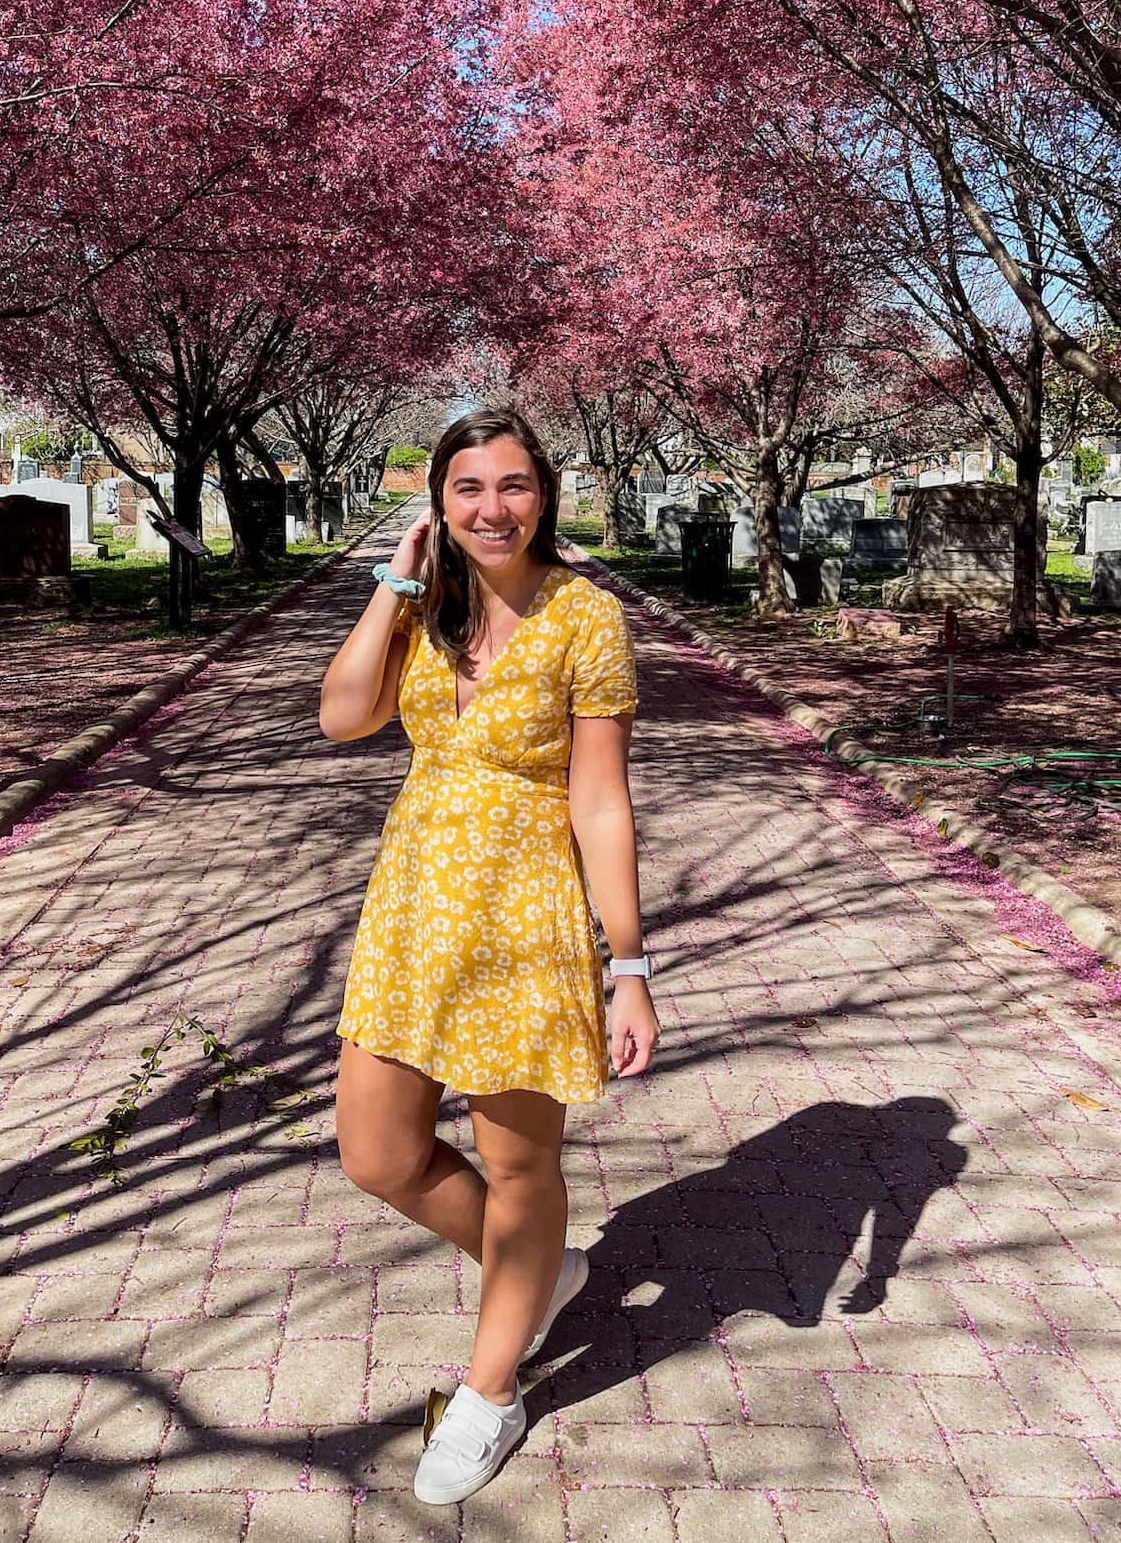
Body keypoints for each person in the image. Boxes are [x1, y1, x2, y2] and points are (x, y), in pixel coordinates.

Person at [319, 407, 660, 1505]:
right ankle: (542, 1272)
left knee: (521, 1171)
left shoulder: (586, 615)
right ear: (439, 502)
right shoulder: (428, 605)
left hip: (524, 916)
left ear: (544, 495)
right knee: (377, 1151)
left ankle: (492, 1388)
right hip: (415, 905)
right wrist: (395, 581)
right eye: (468, 488)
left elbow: (600, 800)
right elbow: (343, 717)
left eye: (513, 486)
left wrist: (631, 963)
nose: (492, 508)